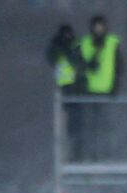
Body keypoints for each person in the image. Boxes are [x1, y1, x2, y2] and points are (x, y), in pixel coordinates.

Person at [77, 15, 123, 159]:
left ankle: (107, 155)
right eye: (96, 26)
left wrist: (116, 86)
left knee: (106, 126)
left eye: (101, 26)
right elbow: (78, 65)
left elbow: (119, 67)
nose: (99, 29)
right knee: (88, 127)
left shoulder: (112, 43)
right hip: (88, 92)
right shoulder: (84, 43)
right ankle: (90, 155)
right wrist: (87, 67)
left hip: (106, 92)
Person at [46, 24, 85, 160]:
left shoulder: (75, 46)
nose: (67, 37)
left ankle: (76, 153)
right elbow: (51, 58)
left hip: (77, 87)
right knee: (68, 123)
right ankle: (68, 153)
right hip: (64, 88)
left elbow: (79, 62)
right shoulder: (56, 47)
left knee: (76, 123)